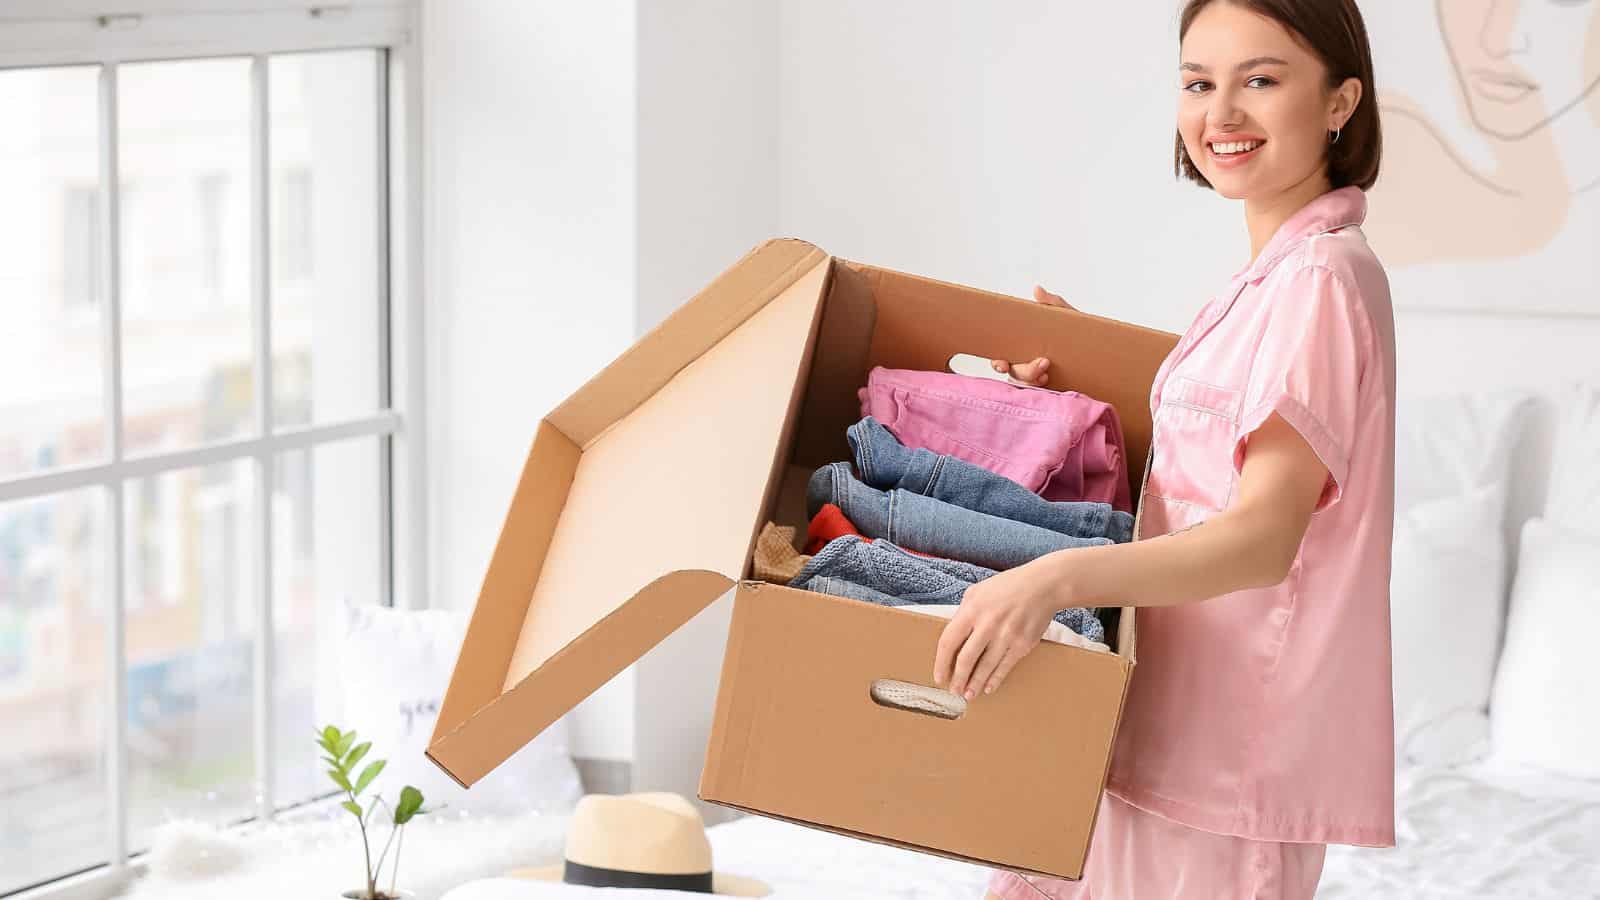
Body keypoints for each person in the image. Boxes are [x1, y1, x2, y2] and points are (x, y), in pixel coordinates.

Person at [938, 2, 1398, 897]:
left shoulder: (1321, 282)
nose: (1220, 115)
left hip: (1220, 766)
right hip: (1148, 725)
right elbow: (1206, 473)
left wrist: (1050, 580)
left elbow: (1262, 539)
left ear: (1340, 102)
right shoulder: (1270, 280)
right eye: (1199, 82)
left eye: (1259, 80)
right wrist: (1086, 392)